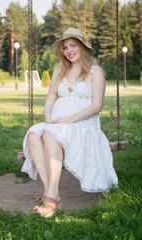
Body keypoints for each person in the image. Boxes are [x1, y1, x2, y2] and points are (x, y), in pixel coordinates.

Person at [22, 28, 118, 218]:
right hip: (58, 123)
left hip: (82, 124)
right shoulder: (59, 71)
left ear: (83, 47)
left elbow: (97, 106)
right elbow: (50, 100)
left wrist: (67, 120)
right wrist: (49, 119)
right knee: (34, 134)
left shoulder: (95, 72)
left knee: (50, 134)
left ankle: (50, 196)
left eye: (73, 45)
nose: (69, 50)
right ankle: (52, 191)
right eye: (65, 47)